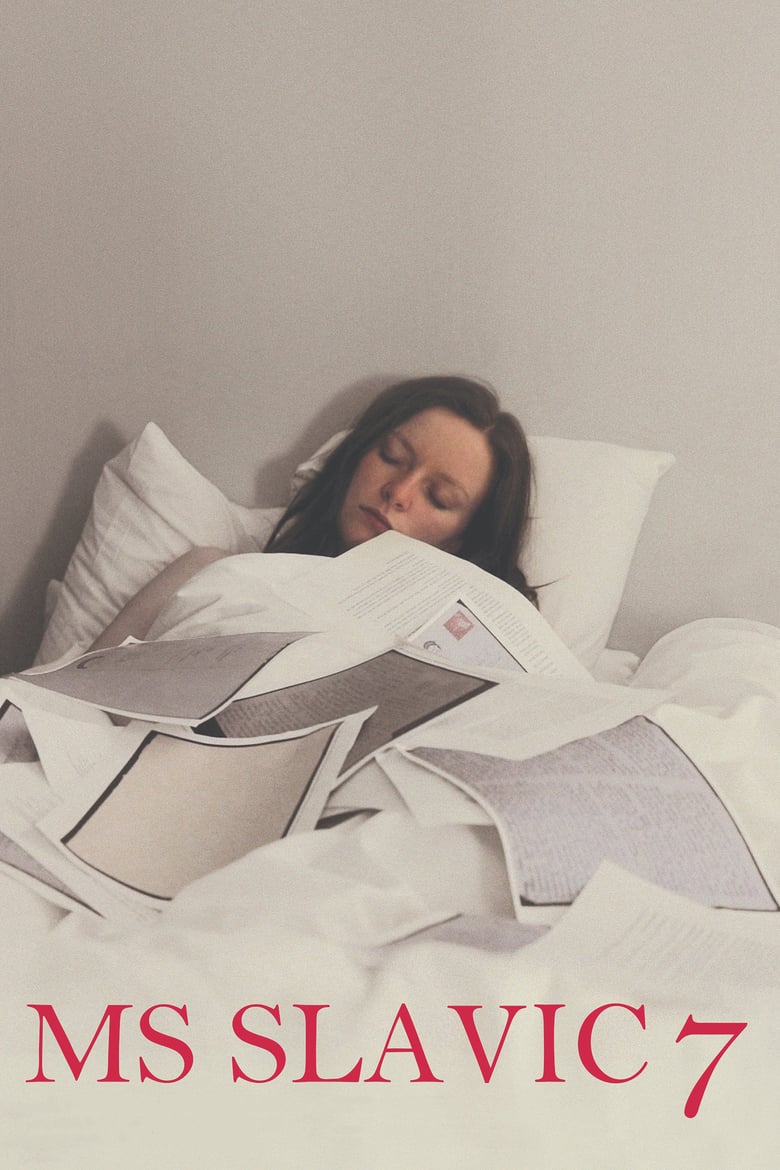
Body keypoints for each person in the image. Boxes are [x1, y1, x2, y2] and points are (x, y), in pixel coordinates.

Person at [90, 376, 537, 651]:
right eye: (392, 457)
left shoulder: (460, 645)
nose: (398, 493)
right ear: (357, 454)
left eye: (438, 497)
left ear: (462, 539)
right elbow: (71, 696)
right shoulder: (213, 572)